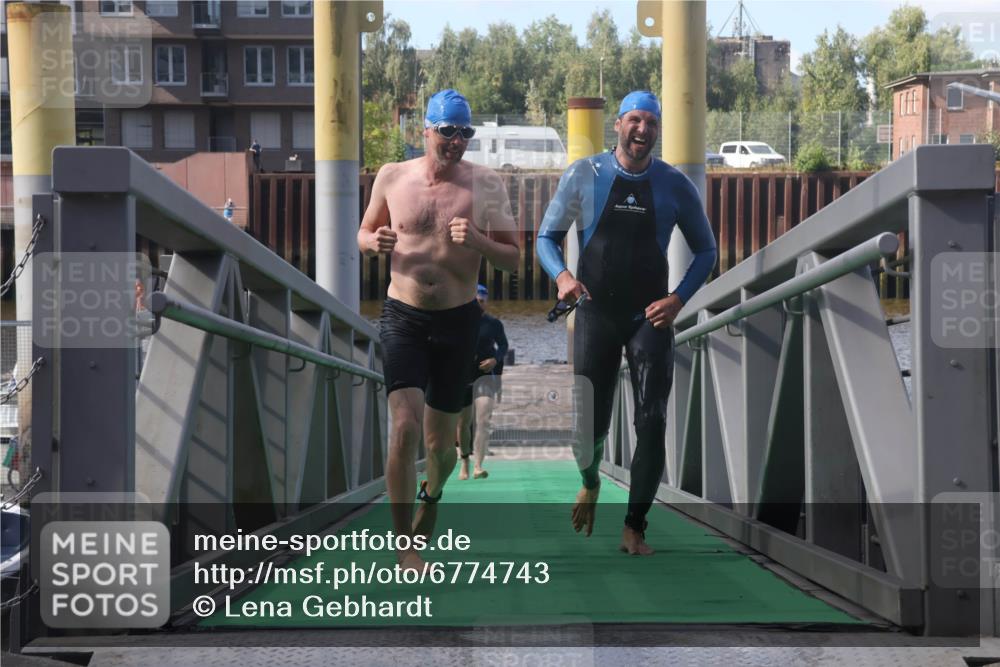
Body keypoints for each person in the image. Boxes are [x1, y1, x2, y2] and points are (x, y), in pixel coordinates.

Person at [535, 91, 717, 556]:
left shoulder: (674, 185)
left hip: (648, 317)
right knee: (587, 427)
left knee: (651, 420)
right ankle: (591, 481)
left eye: (651, 123)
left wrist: (677, 300)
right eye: (635, 120)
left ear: (658, 130)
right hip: (595, 312)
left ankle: (635, 526)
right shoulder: (585, 174)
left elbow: (707, 252)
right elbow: (547, 238)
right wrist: (563, 276)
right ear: (617, 124)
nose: (642, 130)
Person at [357, 89, 520, 569]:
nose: (456, 141)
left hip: (458, 319)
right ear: (425, 130)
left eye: (465, 132)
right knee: (404, 429)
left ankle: (434, 492)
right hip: (402, 314)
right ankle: (404, 545)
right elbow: (364, 232)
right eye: (447, 131)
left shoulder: (485, 186)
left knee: (442, 448)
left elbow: (512, 259)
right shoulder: (392, 176)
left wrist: (479, 240)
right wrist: (373, 242)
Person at [455, 284, 508, 480]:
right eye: (477, 301)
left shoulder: (494, 323)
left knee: (483, 420)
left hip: (485, 375)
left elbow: (503, 345)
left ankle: (478, 465)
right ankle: (465, 462)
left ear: (487, 303)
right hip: (463, 376)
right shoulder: (458, 323)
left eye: (483, 301)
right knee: (464, 423)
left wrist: (495, 359)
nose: (480, 305)